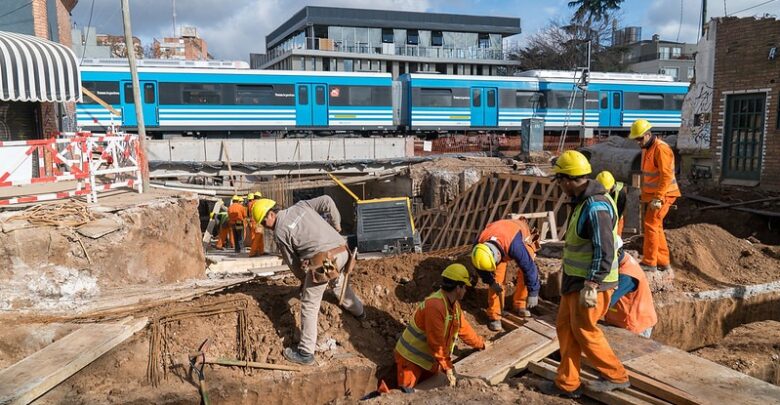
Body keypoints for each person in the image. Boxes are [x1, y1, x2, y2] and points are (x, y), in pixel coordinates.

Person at [539, 150, 630, 399]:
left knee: (584, 330)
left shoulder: (595, 207)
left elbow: (605, 248)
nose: (559, 186)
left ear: (568, 180)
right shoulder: (581, 201)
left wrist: (592, 283)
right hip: (574, 281)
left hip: (591, 284)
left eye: (559, 180)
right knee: (565, 328)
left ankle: (616, 376)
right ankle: (568, 383)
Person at [252, 196, 365, 365]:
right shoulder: (301, 205)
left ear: (270, 215)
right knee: (337, 282)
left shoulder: (280, 232)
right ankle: (360, 312)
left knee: (309, 302)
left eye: (263, 222)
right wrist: (337, 226)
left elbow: (293, 264)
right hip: (343, 251)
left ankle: (305, 353)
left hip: (326, 261)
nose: (264, 227)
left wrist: (304, 282)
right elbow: (327, 200)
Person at [394, 264, 488, 391]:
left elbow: (464, 329)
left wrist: (481, 344)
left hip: (427, 360)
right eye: (464, 287)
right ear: (458, 288)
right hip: (410, 359)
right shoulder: (435, 306)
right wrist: (448, 367)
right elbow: (436, 342)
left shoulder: (453, 306)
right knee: (404, 396)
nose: (466, 290)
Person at [628, 119, 681, 272]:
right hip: (655, 195)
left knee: (651, 224)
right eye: (636, 139)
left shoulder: (661, 149)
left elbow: (665, 176)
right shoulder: (646, 148)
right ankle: (663, 261)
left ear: (648, 134)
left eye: (639, 138)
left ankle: (650, 262)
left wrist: (658, 197)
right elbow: (650, 176)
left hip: (664, 194)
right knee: (656, 226)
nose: (638, 142)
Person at [471, 218, 541, 331]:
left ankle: (520, 303)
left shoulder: (516, 247)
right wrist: (491, 281)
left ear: (498, 255)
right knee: (497, 278)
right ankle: (495, 315)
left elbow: (530, 268)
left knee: (524, 273)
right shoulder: (479, 248)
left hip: (517, 233)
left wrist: (533, 292)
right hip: (499, 234)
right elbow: (481, 268)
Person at [604, 251, 658, 338]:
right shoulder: (622, 260)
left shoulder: (627, 275)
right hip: (621, 319)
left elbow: (606, 301)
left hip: (635, 324)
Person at [595, 171, 627, 237]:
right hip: (601, 216)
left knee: (615, 239)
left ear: (611, 186)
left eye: (606, 190)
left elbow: (620, 210)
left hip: (616, 217)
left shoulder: (620, 192)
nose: (604, 192)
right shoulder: (595, 190)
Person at [248, 192, 266, 257]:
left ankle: (261, 251)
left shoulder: (250, 203)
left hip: (253, 221)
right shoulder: (259, 203)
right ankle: (253, 252)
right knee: (257, 237)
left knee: (258, 237)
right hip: (258, 221)